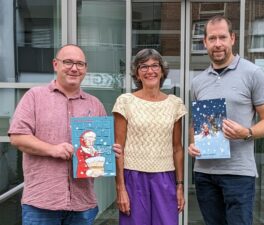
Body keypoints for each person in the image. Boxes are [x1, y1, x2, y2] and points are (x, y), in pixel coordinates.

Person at [8, 44, 121, 225]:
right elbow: (17, 137)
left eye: (80, 64)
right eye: (68, 62)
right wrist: (52, 149)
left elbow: (97, 157)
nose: (74, 68)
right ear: (55, 64)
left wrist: (107, 152)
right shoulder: (34, 97)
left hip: (82, 204)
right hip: (41, 203)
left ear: (85, 68)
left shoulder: (95, 104)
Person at [188, 15, 264, 225]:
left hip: (238, 173)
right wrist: (193, 143)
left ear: (232, 39)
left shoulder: (253, 73)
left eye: (222, 37)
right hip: (204, 173)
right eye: (212, 38)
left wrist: (247, 132)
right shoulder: (198, 82)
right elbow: (196, 124)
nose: (218, 44)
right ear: (205, 42)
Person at [112, 48, 187, 225]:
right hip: (133, 178)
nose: (150, 71)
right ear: (137, 73)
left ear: (162, 71)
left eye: (155, 66)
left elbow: (177, 149)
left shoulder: (175, 104)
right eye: (143, 66)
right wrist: (121, 188)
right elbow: (118, 148)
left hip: (165, 178)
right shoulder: (125, 101)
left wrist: (180, 186)